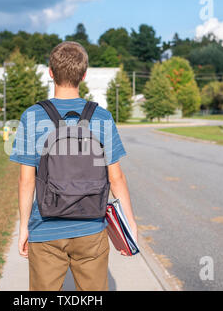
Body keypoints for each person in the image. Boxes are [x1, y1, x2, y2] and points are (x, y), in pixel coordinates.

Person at [10, 41, 138, 291]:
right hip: (91, 228)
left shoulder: (32, 116)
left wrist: (24, 227)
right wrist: (129, 223)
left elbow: (26, 180)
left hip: (45, 229)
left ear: (50, 72)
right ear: (84, 75)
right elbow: (116, 178)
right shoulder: (102, 117)